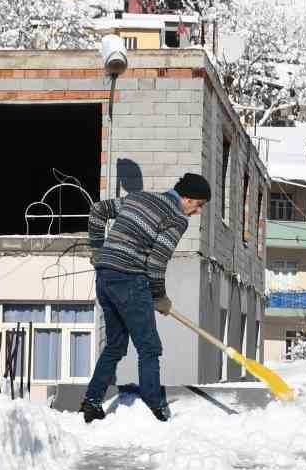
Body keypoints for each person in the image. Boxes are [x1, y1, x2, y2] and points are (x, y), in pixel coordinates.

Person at [80, 173, 210, 423]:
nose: (198, 211)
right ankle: (154, 408)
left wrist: (97, 250)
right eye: (198, 204)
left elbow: (98, 210)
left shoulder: (138, 197)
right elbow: (157, 263)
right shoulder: (176, 218)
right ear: (186, 198)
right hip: (130, 279)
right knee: (149, 347)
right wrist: (159, 297)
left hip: (105, 277)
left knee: (115, 345)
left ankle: (92, 402)